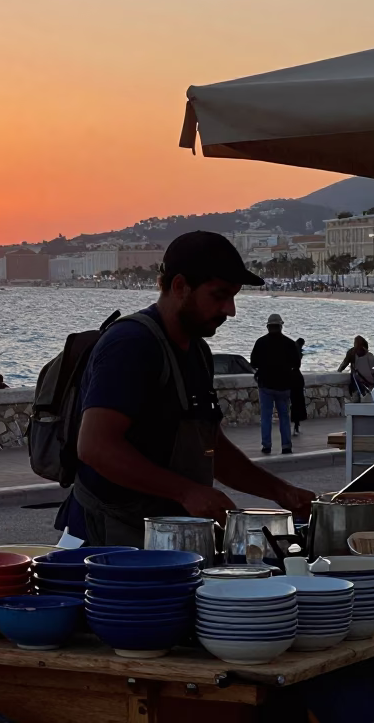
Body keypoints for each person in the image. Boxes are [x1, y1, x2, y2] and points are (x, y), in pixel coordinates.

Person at [72, 231, 316, 547]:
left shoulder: (197, 352)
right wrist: (186, 491)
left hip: (171, 537)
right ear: (179, 286)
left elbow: (212, 448)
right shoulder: (131, 344)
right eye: (219, 295)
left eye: (234, 296)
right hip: (113, 539)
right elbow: (95, 447)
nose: (230, 310)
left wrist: (282, 492)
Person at [250, 314, 302, 455]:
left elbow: (253, 363)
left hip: (265, 384)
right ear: (280, 326)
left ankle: (266, 445)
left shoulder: (260, 343)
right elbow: (297, 364)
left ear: (268, 327)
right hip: (284, 386)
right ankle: (286, 446)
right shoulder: (290, 344)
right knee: (284, 416)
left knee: (266, 416)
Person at [338, 336, 374, 402]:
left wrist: (339, 371)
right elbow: (344, 364)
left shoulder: (353, 352)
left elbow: (344, 364)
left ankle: (357, 396)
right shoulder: (354, 353)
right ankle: (359, 395)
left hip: (361, 379)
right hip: (363, 380)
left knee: (355, 379)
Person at [291, 337, 308, 436]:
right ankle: (296, 425)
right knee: (297, 402)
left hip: (291, 377)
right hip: (297, 378)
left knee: (293, 403)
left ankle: (295, 424)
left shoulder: (292, 350)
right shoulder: (299, 352)